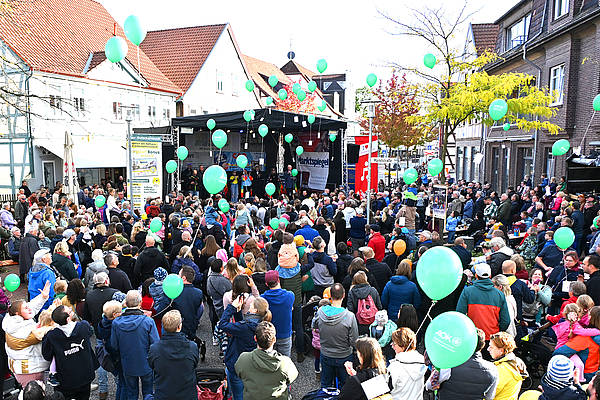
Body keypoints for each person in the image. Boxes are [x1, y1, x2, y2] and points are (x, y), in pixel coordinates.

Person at [219, 296, 272, 400]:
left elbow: (223, 324)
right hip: (252, 365)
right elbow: (242, 328)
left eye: (251, 306)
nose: (248, 308)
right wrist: (238, 312)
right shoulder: (263, 324)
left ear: (255, 310)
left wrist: (231, 307)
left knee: (238, 395)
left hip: (237, 365)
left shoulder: (245, 327)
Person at [111, 290, 159, 399]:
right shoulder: (148, 321)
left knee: (131, 393)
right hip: (146, 363)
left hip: (127, 363)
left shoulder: (116, 323)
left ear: (126, 304)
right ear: (140, 303)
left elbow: (114, 345)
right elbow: (155, 344)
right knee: (148, 392)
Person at [42, 305, 97, 400]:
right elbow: (90, 332)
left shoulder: (51, 336)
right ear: (68, 319)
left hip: (65, 379)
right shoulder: (83, 326)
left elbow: (47, 355)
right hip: (85, 376)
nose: (72, 310)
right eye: (70, 311)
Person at [2, 281, 51, 387]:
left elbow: (30, 306)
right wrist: (53, 312)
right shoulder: (24, 330)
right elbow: (44, 330)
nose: (29, 309)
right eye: (25, 308)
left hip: (21, 368)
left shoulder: (11, 320)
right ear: (17, 313)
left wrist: (42, 297)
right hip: (30, 370)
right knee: (34, 394)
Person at [427, 328, 498, 400]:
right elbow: (489, 397)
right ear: (483, 345)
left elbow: (430, 386)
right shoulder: (493, 369)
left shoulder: (450, 364)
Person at [235, 321, 298, 400]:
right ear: (274, 339)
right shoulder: (285, 363)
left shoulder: (243, 359)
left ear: (255, 338)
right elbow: (292, 377)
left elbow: (239, 373)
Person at [312, 283, 358, 388]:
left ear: (330, 296)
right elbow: (354, 341)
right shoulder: (349, 316)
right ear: (344, 295)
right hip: (344, 356)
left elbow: (314, 326)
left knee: (326, 385)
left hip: (326, 354)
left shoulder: (320, 312)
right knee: (345, 386)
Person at [148, 310, 199, 400]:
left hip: (164, 394)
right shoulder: (192, 346)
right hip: (187, 394)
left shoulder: (154, 348)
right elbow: (195, 364)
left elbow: (152, 365)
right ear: (179, 326)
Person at [456, 263, 510, 340]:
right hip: (492, 337)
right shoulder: (500, 294)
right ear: (490, 276)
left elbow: (460, 314)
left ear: (476, 276)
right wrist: (497, 331)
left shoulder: (467, 291)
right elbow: (506, 321)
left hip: (473, 336)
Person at [262, 270, 295, 357]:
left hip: (269, 335)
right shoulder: (290, 295)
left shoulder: (263, 298)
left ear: (266, 284)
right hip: (285, 335)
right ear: (278, 280)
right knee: (285, 362)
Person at [388, 328, 427, 400]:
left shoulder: (396, 366)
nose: (393, 346)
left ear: (402, 345)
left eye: (394, 344)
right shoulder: (422, 362)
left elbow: (386, 389)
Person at [488, 332, 528, 399]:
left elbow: (489, 394)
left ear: (501, 350)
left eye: (491, 347)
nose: (488, 349)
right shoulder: (516, 362)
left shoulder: (501, 370)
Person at [172, 266, 204, 341]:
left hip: (177, 327)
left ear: (183, 278)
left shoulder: (175, 292)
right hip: (191, 327)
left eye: (179, 275)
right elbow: (199, 309)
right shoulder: (198, 293)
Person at [346, 271, 382, 335]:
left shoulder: (352, 292)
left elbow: (350, 310)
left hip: (359, 324)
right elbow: (379, 307)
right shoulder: (373, 290)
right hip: (373, 322)